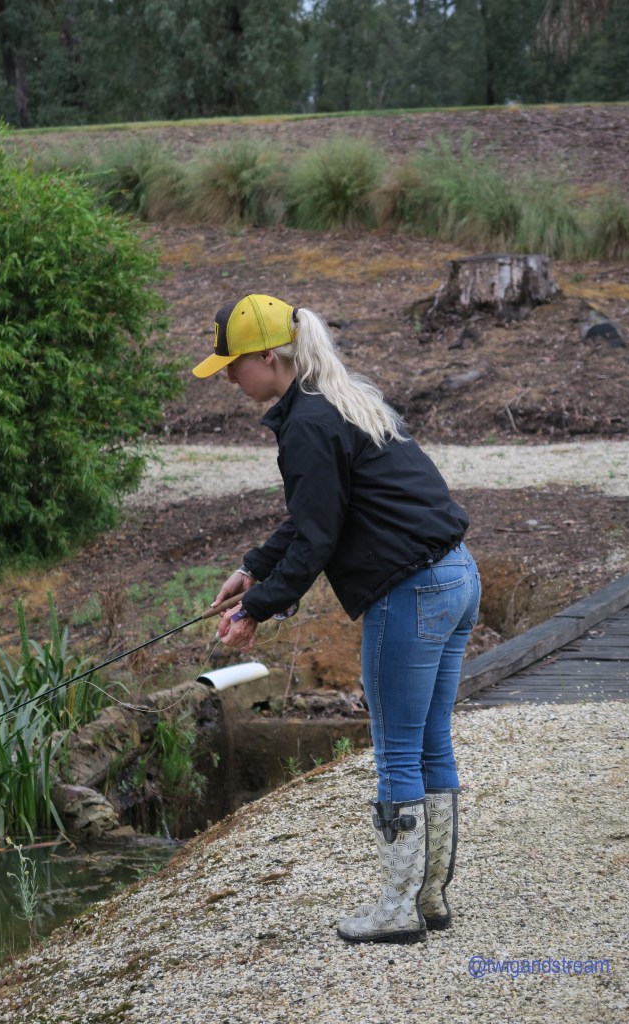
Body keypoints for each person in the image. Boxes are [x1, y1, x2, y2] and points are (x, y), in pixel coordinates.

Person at [192, 293, 481, 945]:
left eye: (233, 364)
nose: (229, 377)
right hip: (457, 576)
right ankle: (428, 898)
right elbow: (316, 516)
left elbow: (318, 537)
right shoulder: (344, 400)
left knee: (397, 751)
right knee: (431, 742)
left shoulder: (306, 424)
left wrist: (254, 609)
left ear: (270, 357)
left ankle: (398, 910)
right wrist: (253, 570)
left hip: (411, 591)